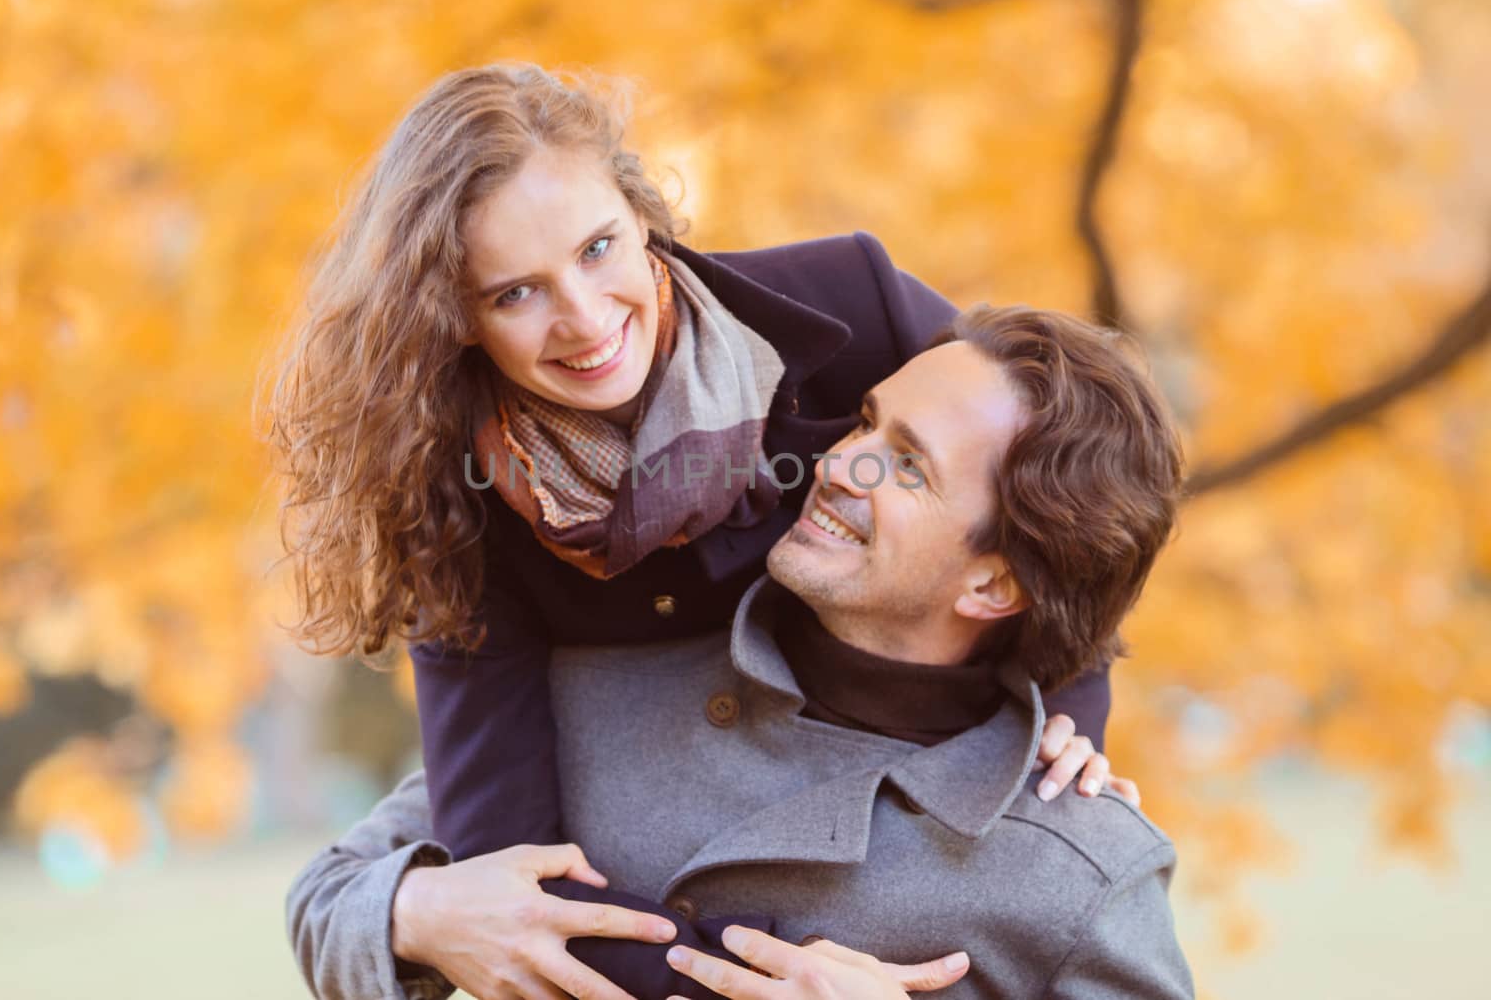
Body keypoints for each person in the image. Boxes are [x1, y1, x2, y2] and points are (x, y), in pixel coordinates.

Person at [267, 63, 1133, 998]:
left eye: (599, 248)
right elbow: (523, 894)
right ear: (456, 321)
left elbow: (1057, 496)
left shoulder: (854, 304)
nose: (586, 319)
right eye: (515, 293)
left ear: (642, 219)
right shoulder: (456, 507)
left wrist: (1066, 721)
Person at [287, 304, 1193, 1000]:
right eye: (866, 421)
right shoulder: (598, 686)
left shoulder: (1081, 866)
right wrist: (419, 912)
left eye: (909, 466)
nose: (841, 463)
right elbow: (326, 896)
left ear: (994, 586)